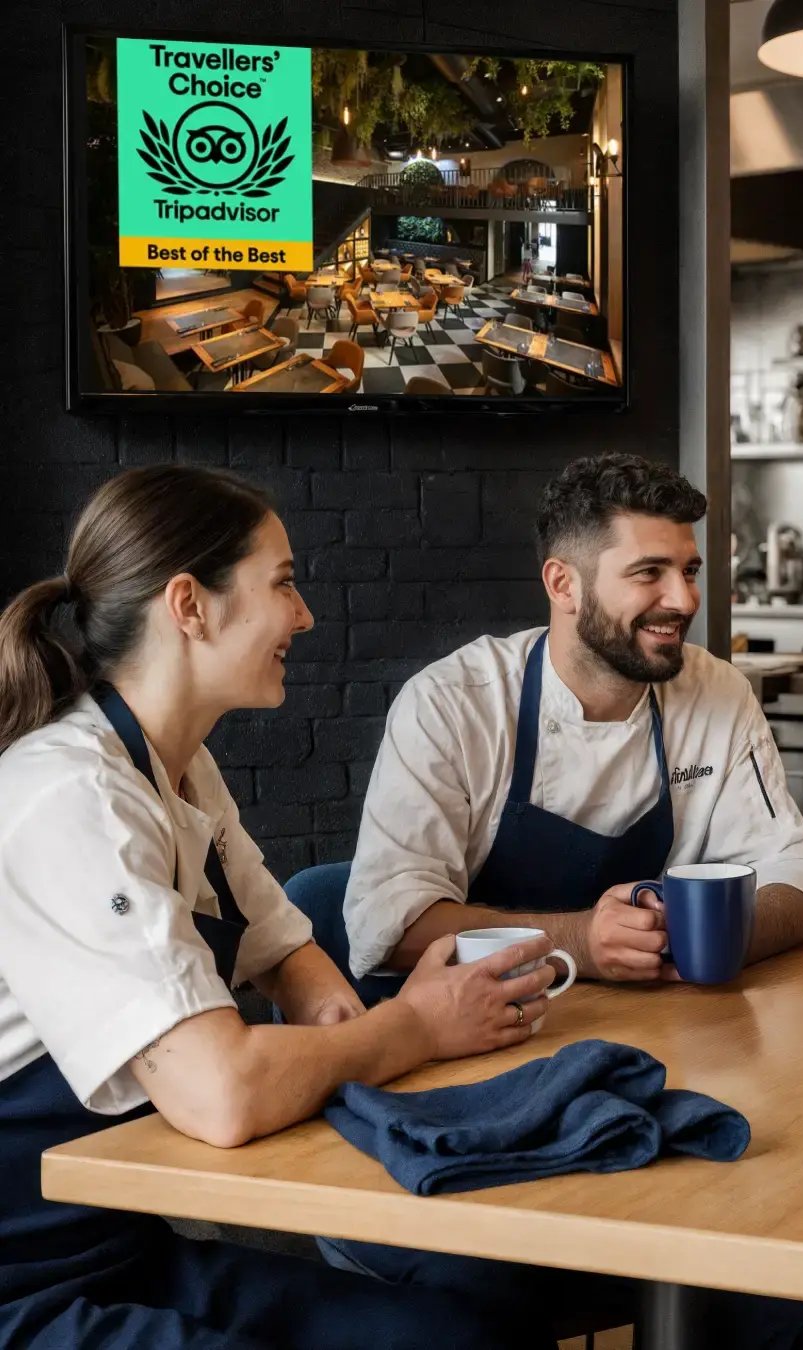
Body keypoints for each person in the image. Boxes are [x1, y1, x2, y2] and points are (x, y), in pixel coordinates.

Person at [0, 465, 562, 1349]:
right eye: (285, 583)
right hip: (23, 1288)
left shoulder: (179, 766)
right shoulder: (72, 800)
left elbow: (304, 977)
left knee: (465, 1336)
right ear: (190, 606)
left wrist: (421, 1026)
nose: (303, 617)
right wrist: (412, 1029)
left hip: (123, 1249)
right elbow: (221, 1095)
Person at [304, 452, 803, 1345]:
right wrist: (584, 944)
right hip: (480, 1084)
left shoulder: (714, 693)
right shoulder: (452, 704)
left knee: (772, 1256)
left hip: (655, 1070)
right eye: (648, 573)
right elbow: (389, 923)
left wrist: (721, 933)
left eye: (690, 569)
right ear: (562, 582)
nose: (682, 598)